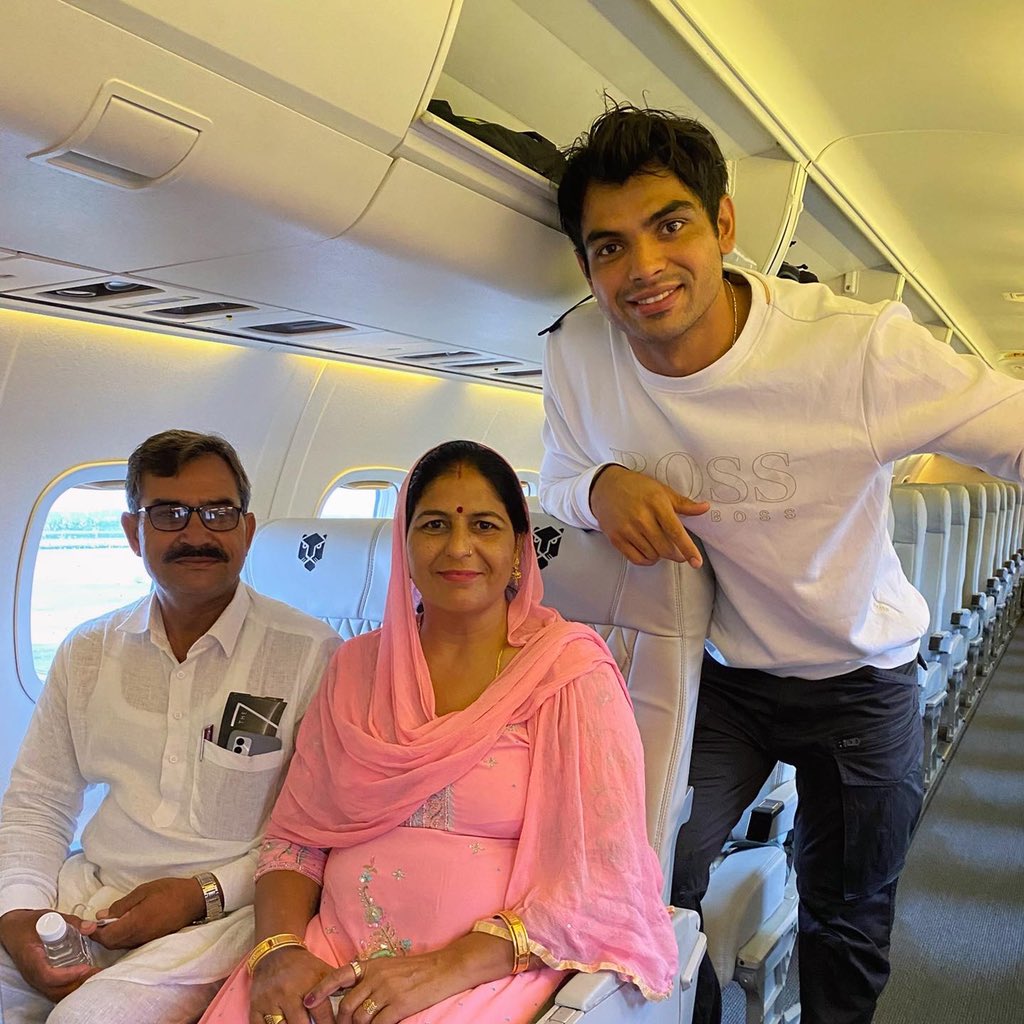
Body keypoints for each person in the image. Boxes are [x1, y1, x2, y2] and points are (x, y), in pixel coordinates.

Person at [538, 104, 1024, 1024]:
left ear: (724, 224)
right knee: (644, 882)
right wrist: (598, 487)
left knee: (846, 917)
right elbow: (554, 477)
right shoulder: (575, 352)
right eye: (610, 247)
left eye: (670, 226)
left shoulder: (853, 350)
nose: (643, 268)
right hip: (719, 676)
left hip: (859, 680)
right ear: (586, 265)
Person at [199, 439, 677, 1024]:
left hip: (496, 967)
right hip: (330, 957)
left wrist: (446, 968)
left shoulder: (569, 672)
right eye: (433, 525)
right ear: (403, 546)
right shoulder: (355, 668)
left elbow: (604, 874)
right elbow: (294, 840)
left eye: (484, 525)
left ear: (519, 549)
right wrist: (278, 951)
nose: (458, 547)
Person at [0, 430, 341, 1024]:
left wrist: (199, 894)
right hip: (93, 896)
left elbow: (315, 833)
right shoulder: (87, 650)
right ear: (134, 533)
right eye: (169, 513)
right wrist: (19, 911)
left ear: (247, 530)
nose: (196, 533)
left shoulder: (311, 653)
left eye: (218, 512)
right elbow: (39, 803)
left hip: (229, 915)